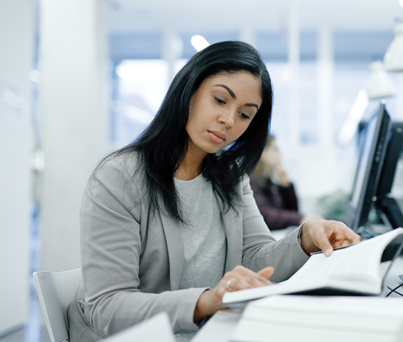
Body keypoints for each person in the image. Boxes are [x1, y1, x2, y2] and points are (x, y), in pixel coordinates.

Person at [67, 41, 360, 342]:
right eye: (220, 100)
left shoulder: (231, 177)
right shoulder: (119, 178)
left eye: (245, 115)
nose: (229, 121)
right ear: (189, 89)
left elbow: (256, 260)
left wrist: (306, 238)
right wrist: (206, 301)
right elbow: (106, 306)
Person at [250, 135, 318, 230]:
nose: (280, 153)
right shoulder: (250, 180)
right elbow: (265, 215)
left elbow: (292, 211)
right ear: (263, 151)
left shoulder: (268, 180)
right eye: (275, 149)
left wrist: (285, 185)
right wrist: (300, 219)